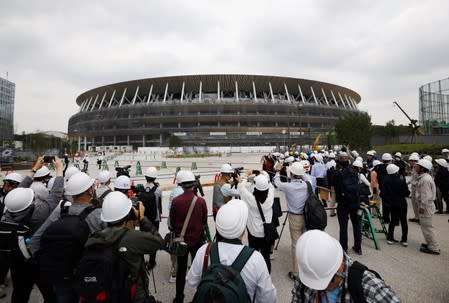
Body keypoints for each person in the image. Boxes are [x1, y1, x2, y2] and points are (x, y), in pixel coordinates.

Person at [30, 171, 106, 303]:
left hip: (62, 273)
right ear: (89, 189)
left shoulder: (61, 210)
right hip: (90, 275)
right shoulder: (99, 214)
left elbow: (35, 241)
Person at [187, 199, 276, 303]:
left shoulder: (205, 250)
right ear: (243, 229)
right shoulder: (255, 258)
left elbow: (192, 281)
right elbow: (268, 298)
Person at [1, 156, 64, 303]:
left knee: (19, 292)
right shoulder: (38, 214)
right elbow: (56, 194)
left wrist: (34, 168)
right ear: (30, 203)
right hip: (37, 260)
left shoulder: (7, 209)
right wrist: (59, 169)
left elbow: (19, 193)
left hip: (16, 260)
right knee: (49, 293)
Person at [84, 191, 164, 302]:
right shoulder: (133, 237)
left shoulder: (94, 238)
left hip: (107, 293)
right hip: (133, 295)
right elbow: (159, 241)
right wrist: (142, 218)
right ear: (127, 214)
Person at [291, 230, 400, 303]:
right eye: (315, 283)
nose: (322, 288)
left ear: (341, 263)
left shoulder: (367, 286)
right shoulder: (307, 274)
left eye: (329, 280)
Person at [170, 170, 208, 303]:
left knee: (181, 270)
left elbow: (172, 222)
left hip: (181, 241)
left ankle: (179, 297)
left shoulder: (175, 201)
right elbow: (204, 221)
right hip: (197, 240)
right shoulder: (201, 201)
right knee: (199, 269)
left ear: (180, 184)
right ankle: (200, 296)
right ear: (194, 184)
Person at [274, 161, 309, 280]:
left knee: (296, 245)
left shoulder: (288, 186)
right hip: (307, 216)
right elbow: (305, 176)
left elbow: (276, 182)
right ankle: (306, 269)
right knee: (305, 243)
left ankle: (296, 273)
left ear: (292, 174)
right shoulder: (307, 184)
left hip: (294, 217)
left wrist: (278, 171)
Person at [238, 172, 274, 272]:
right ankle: (266, 276)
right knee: (266, 257)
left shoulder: (251, 199)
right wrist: (264, 176)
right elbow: (270, 186)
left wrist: (245, 176)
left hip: (254, 233)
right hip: (266, 233)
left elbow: (241, 188)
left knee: (252, 256)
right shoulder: (270, 197)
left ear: (255, 187)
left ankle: (253, 275)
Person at [0, 171, 24, 298]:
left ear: (15, 186)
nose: (4, 187)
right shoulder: (3, 196)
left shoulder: (20, 200)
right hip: (3, 233)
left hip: (12, 236)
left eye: (7, 184)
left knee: (7, 258)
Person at [333, 152, 362, 255]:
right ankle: (358, 247)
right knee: (357, 225)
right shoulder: (354, 171)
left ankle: (344, 249)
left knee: (343, 227)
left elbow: (334, 186)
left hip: (343, 203)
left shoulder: (337, 173)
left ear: (339, 161)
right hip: (355, 202)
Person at [415, 159, 440, 255]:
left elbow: (426, 195)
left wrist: (422, 207)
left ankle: (434, 247)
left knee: (427, 227)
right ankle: (430, 244)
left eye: (418, 166)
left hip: (425, 207)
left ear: (422, 168)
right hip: (426, 206)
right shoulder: (425, 177)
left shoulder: (425, 180)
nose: (416, 167)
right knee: (426, 227)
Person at [381, 164, 410, 246]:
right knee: (403, 221)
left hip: (392, 203)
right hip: (402, 203)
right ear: (396, 171)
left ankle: (390, 238)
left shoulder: (385, 180)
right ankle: (404, 240)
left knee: (393, 221)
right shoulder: (401, 180)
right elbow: (407, 193)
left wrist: (387, 201)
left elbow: (383, 193)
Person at [141, 167, 163, 270]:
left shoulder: (141, 189)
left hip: (143, 217)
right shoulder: (158, 190)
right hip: (155, 218)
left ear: (145, 177)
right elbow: (159, 204)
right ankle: (151, 262)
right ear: (155, 178)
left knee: (143, 238)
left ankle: (141, 260)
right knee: (153, 239)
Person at [377, 153, 393, 223]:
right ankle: (394, 220)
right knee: (393, 205)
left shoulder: (379, 167)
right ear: (390, 160)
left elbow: (378, 178)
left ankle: (386, 219)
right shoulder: (392, 167)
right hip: (391, 189)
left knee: (385, 204)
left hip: (383, 189)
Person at [407, 153, 420, 223]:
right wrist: (407, 182)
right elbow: (412, 178)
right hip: (414, 187)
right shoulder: (414, 168)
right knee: (414, 203)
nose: (409, 162)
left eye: (410, 161)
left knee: (418, 203)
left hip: (417, 187)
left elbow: (417, 179)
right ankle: (416, 216)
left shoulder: (418, 169)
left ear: (414, 161)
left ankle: (420, 218)